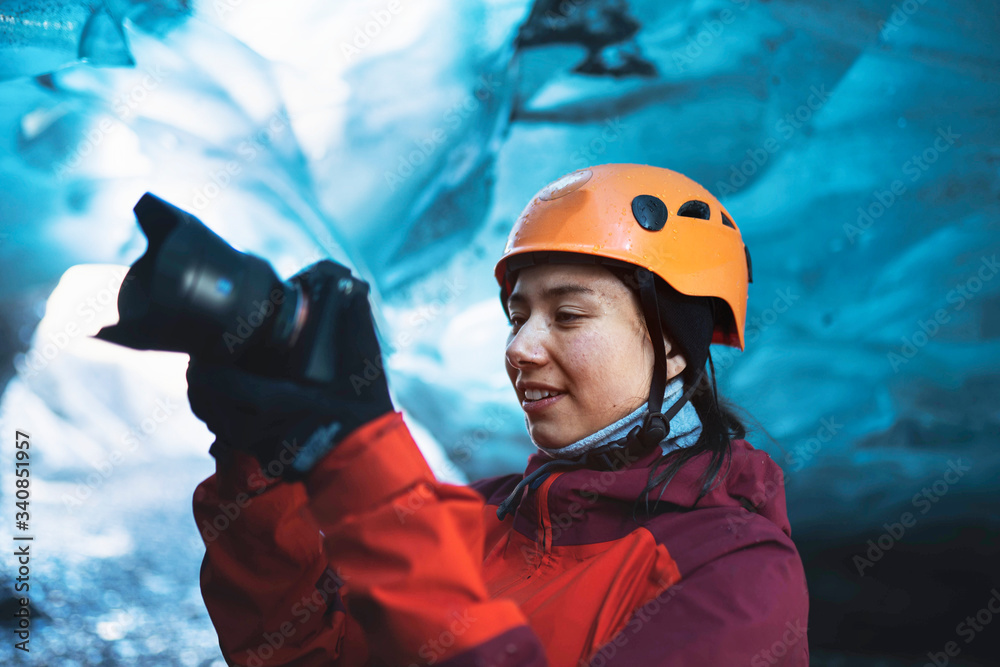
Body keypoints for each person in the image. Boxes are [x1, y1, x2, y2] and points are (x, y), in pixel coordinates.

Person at [187, 163, 809, 666]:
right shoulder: (486, 517)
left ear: (674, 345)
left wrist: (364, 466)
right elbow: (303, 655)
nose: (519, 348)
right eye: (517, 318)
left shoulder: (739, 573)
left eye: (568, 315)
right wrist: (258, 465)